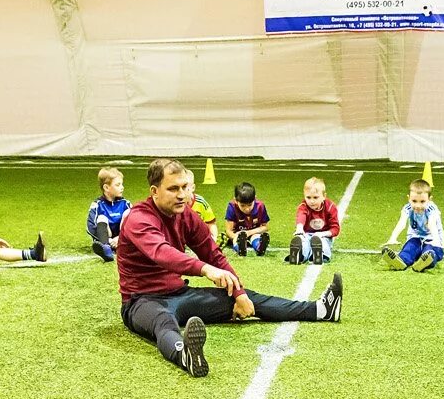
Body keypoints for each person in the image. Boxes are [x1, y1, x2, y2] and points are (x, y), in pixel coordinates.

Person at [117, 158, 342, 377]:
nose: (182, 194)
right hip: (140, 300)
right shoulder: (139, 218)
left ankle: (320, 310)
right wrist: (205, 269)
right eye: (173, 188)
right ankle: (185, 355)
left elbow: (212, 253)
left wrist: (239, 293)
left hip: (180, 293)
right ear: (154, 191)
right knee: (164, 321)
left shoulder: (185, 213)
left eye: (185, 187)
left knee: (250, 298)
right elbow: (162, 253)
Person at [381, 179, 444, 272]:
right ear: (409, 198)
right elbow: (402, 223)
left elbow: (432, 225)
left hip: (432, 240)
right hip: (416, 238)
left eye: (422, 201)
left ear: (429, 199)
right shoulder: (407, 208)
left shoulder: (432, 209)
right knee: (409, 248)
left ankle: (426, 262)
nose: (418, 205)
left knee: (430, 251)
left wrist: (436, 240)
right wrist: (393, 238)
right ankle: (401, 261)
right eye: (414, 201)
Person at [288, 177, 341, 265]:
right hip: (307, 234)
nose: (311, 201)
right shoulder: (303, 206)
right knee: (303, 241)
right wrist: (299, 229)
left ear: (324, 196)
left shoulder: (331, 207)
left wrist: (322, 234)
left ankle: (319, 255)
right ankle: (299, 255)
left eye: (315, 197)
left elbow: (335, 229)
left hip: (323, 235)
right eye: (308, 197)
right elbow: (301, 216)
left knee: (322, 242)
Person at [87, 166, 131, 262]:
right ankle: (105, 248)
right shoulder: (97, 204)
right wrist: (109, 240)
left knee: (129, 213)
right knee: (102, 217)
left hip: (122, 237)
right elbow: (90, 226)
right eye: (118, 185)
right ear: (106, 187)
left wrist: (120, 238)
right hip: (107, 238)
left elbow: (136, 224)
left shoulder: (125, 203)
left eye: (122, 184)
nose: (122, 187)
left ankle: (124, 243)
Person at [224, 181, 271, 257]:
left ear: (254, 199)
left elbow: (266, 227)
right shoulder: (232, 207)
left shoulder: (260, 206)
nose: (247, 209)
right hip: (238, 233)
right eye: (242, 205)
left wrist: (249, 232)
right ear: (236, 201)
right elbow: (228, 230)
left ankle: (260, 247)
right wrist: (235, 236)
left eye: (249, 205)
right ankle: (240, 248)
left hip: (254, 232)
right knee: (237, 239)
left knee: (256, 237)